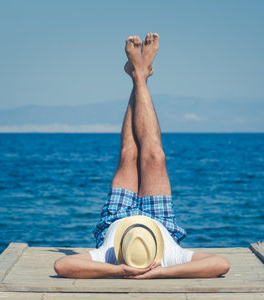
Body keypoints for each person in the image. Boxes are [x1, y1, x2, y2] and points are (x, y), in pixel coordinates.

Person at [54, 33, 230, 279]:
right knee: (155, 155)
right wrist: (160, 273)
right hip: (161, 223)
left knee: (128, 154)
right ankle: (140, 74)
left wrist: (118, 268)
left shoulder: (110, 254)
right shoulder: (167, 256)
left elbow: (62, 266)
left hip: (118, 221)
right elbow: (220, 264)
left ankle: (138, 74)